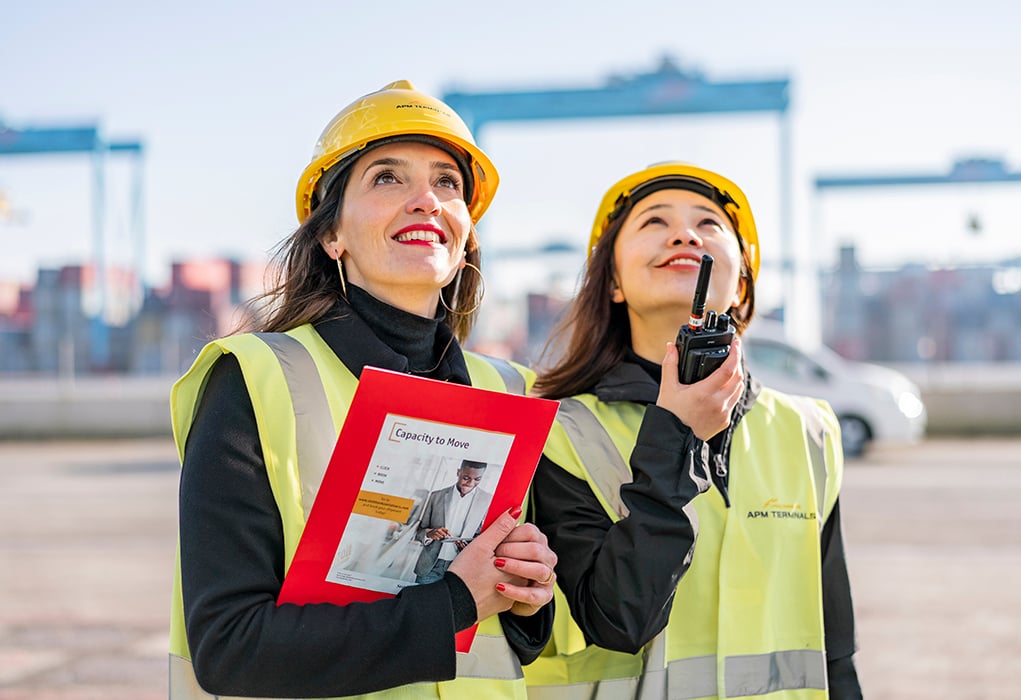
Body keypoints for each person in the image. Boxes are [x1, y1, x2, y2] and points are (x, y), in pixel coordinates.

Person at [168, 80, 557, 699]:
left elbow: (519, 639)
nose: (426, 199)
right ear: (331, 236)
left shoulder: (511, 391)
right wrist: (454, 602)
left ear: (464, 242)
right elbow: (228, 646)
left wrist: (528, 592)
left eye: (447, 182)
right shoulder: (256, 378)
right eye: (387, 178)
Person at [524, 163, 862, 699]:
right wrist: (677, 430)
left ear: (743, 282)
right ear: (612, 282)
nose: (684, 234)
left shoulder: (810, 432)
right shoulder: (557, 433)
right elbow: (618, 620)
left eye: (708, 223)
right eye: (654, 222)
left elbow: (835, 652)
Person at [416, 459, 492, 583]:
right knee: (419, 602)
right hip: (430, 567)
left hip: (462, 568)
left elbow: (486, 535)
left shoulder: (488, 501)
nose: (470, 483)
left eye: (477, 479)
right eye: (466, 477)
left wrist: (471, 546)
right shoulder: (436, 496)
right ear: (458, 472)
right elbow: (419, 531)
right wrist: (429, 534)